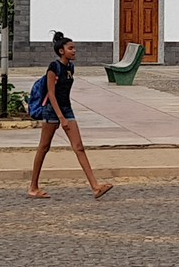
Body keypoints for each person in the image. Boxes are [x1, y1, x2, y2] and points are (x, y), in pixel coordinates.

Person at [27, 31, 114, 200]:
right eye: (70, 48)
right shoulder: (54, 67)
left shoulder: (70, 68)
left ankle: (95, 187)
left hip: (67, 109)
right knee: (44, 147)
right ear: (61, 51)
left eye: (74, 48)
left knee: (79, 146)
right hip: (53, 111)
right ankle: (33, 187)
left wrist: (66, 115)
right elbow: (51, 94)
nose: (74, 51)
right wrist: (61, 118)